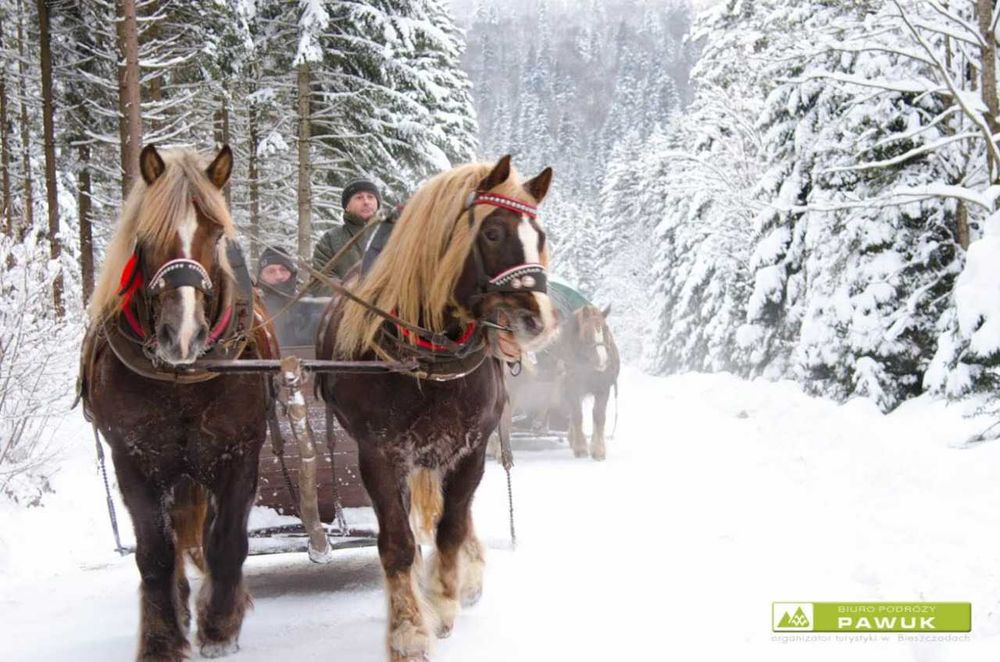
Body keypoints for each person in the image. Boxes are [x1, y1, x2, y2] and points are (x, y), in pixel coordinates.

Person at [312, 177, 381, 285]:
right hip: (351, 301)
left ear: (377, 204)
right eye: (359, 198)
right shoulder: (331, 239)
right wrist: (350, 289)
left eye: (370, 197)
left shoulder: (394, 233)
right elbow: (320, 281)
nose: (366, 202)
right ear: (347, 206)